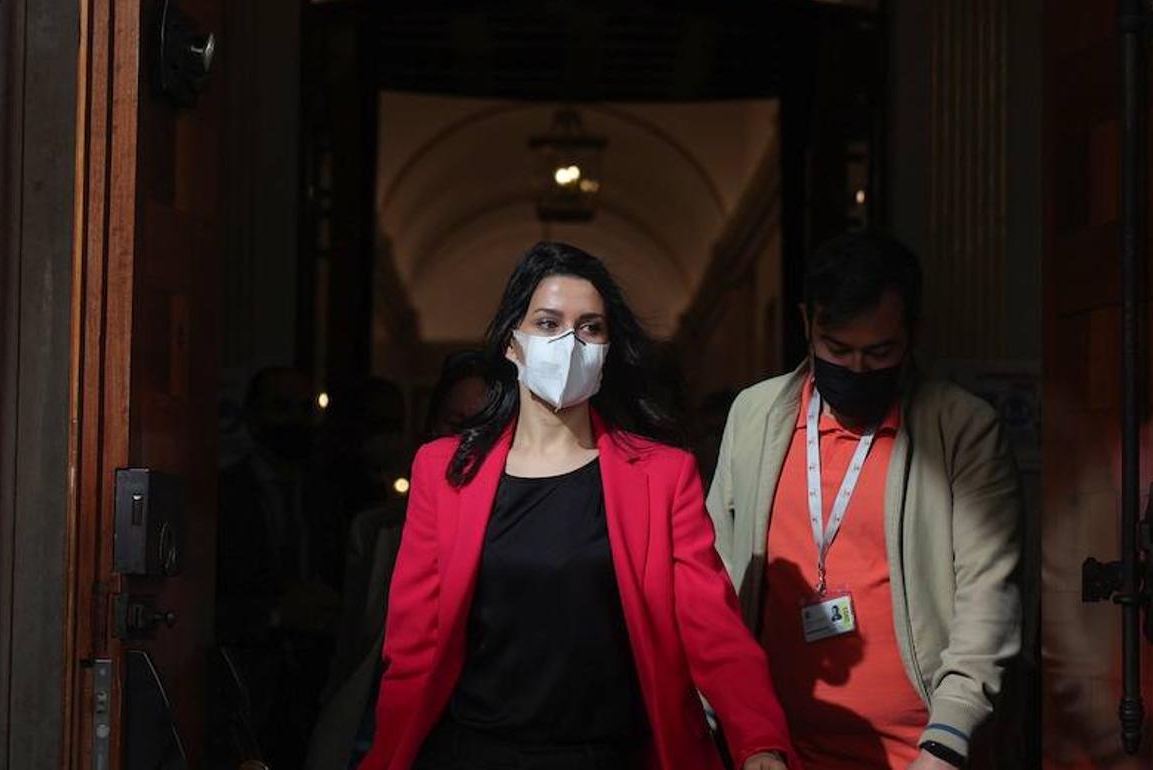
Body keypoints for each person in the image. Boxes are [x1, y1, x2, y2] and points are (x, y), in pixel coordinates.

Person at [359, 242, 796, 770]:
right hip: (473, 754)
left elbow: (712, 628)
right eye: (547, 323)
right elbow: (413, 643)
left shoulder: (662, 475)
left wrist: (760, 743)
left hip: (610, 755)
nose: (570, 341)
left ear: (609, 349)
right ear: (511, 344)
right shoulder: (445, 470)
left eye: (590, 327)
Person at [707, 230, 1022, 770]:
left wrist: (947, 739)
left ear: (912, 335)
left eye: (879, 352)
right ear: (807, 324)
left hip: (922, 754)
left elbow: (987, 592)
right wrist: (745, 732)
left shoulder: (962, 430)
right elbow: (714, 579)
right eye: (838, 349)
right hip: (777, 751)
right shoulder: (754, 416)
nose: (856, 369)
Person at [305, 358, 490, 770]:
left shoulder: (536, 538)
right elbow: (352, 654)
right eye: (455, 425)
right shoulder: (376, 531)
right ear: (429, 430)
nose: (468, 445)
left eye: (486, 430)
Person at [217, 366, 342, 770]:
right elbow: (203, 604)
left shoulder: (330, 495)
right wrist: (275, 614)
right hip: (245, 688)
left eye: (305, 409)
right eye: (281, 407)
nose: (294, 421)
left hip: (318, 691)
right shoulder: (222, 496)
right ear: (252, 416)